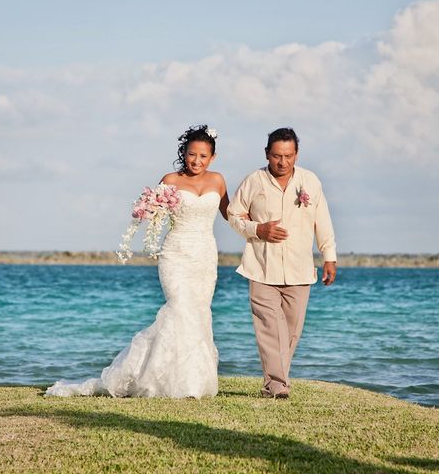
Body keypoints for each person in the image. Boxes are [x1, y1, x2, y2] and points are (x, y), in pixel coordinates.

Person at [45, 125, 229, 398]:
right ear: (184, 153)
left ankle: (193, 383)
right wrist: (147, 208)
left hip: (204, 255)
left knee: (199, 313)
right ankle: (167, 383)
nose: (197, 161)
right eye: (192, 155)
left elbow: (232, 214)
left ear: (212, 157)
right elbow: (151, 213)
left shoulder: (218, 181)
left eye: (203, 156)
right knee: (179, 309)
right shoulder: (170, 179)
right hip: (176, 253)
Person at [227, 127, 337, 399]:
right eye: (277, 156)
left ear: (296, 154)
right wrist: (258, 230)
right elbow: (233, 215)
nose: (282, 162)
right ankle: (276, 386)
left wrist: (329, 257)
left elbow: (322, 221)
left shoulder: (311, 182)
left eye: (288, 156)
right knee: (268, 329)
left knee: (290, 332)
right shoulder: (254, 181)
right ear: (267, 154)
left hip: (300, 270)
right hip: (261, 267)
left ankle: (275, 382)